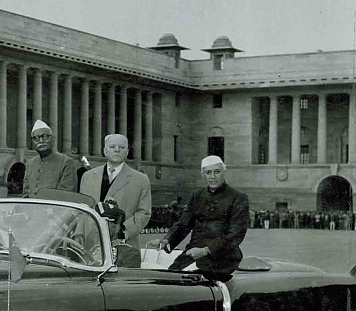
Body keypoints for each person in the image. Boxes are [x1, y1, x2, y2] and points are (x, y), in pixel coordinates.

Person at [159, 155, 250, 281]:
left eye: (217, 172)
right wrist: (166, 240)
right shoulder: (197, 195)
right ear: (203, 174)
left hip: (223, 260)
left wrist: (206, 251)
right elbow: (183, 224)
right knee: (170, 277)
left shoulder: (238, 197)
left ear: (224, 172)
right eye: (208, 172)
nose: (213, 176)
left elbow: (235, 235)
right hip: (193, 254)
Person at [79, 134, 152, 266]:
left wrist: (123, 231)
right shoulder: (88, 176)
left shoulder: (140, 179)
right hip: (91, 246)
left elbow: (144, 212)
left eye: (122, 147)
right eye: (112, 147)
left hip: (125, 247)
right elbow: (81, 210)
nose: (117, 150)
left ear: (127, 152)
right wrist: (78, 234)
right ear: (105, 151)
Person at [22, 120, 77, 197]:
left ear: (53, 139)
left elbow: (65, 195)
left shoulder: (66, 162)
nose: (41, 141)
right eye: (36, 138)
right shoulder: (30, 164)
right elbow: (25, 194)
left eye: (45, 136)